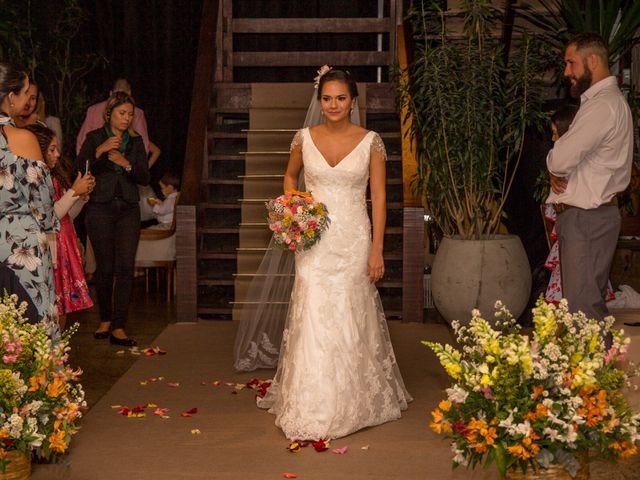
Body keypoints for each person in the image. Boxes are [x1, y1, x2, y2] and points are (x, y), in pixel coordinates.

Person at [257, 69, 411, 441]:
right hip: (314, 240)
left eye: (341, 98)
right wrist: (297, 211)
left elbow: (380, 200)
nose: (334, 105)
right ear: (319, 101)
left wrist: (377, 249)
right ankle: (311, 400)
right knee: (312, 307)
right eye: (327, 98)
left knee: (347, 310)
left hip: (354, 240)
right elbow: (290, 177)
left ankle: (351, 398)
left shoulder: (371, 142)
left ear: (353, 101)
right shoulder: (303, 139)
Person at [546, 32, 633, 321]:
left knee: (583, 312)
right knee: (583, 311)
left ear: (592, 60)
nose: (566, 72)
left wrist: (552, 164)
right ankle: (593, 366)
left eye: (571, 63)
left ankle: (599, 367)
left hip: (587, 219)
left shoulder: (602, 105)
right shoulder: (602, 102)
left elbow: (560, 159)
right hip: (590, 217)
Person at [75, 91, 150, 346]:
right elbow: (79, 166)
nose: (126, 118)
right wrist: (99, 151)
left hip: (128, 208)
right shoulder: (95, 137)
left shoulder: (136, 142)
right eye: (122, 113)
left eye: (130, 114)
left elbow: (144, 176)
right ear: (109, 114)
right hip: (100, 208)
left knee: (125, 267)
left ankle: (119, 325)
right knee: (105, 267)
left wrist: (125, 163)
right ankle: (105, 318)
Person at [0, 62, 59, 332]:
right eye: (25, 93)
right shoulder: (22, 139)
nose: (27, 100)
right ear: (10, 98)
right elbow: (43, 204)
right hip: (21, 241)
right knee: (32, 325)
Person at [24, 123, 95, 330]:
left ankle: (57, 354)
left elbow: (67, 216)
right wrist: (73, 192)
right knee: (52, 306)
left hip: (63, 245)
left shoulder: (53, 176)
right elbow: (49, 216)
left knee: (62, 306)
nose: (57, 154)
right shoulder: (34, 180)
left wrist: (80, 197)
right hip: (50, 248)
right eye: (52, 149)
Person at [76, 78, 150, 154]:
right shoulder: (137, 113)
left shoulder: (94, 110)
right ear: (129, 93)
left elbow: (81, 144)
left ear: (111, 93)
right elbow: (144, 148)